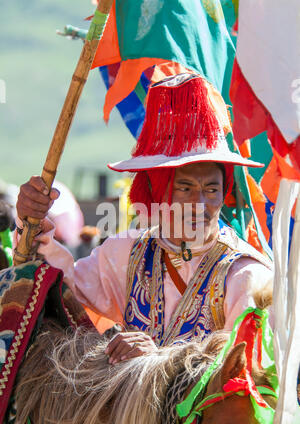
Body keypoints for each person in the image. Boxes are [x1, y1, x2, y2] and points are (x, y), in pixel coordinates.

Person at [15, 73, 273, 365]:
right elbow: (67, 295)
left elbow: (247, 371)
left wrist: (160, 359)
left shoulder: (245, 275)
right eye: (184, 188)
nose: (199, 204)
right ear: (155, 189)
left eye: (211, 189)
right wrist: (33, 225)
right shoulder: (129, 253)